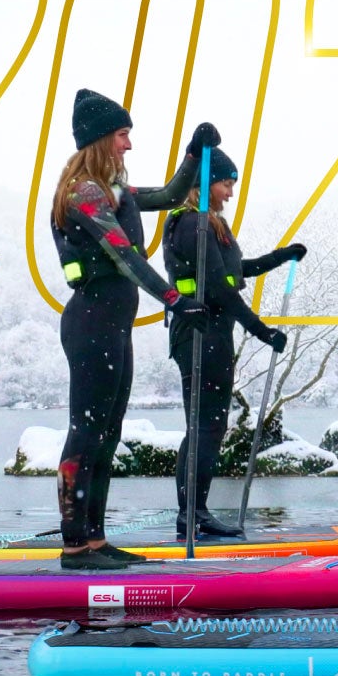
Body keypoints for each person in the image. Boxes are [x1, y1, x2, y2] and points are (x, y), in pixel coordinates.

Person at [47, 88, 210, 570]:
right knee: (86, 433)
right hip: (91, 322)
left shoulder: (113, 190)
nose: (129, 144)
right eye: (122, 135)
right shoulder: (83, 192)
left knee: (109, 433)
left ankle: (96, 541)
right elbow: (124, 255)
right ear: (100, 138)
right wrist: (174, 299)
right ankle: (74, 547)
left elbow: (169, 196)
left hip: (114, 325)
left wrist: (194, 153)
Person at [157, 124, 306, 540]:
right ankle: (193, 513)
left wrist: (280, 257)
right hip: (201, 332)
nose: (230, 193)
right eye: (226, 184)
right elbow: (221, 290)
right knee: (206, 427)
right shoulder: (194, 225)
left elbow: (234, 272)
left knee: (205, 426)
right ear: (205, 185)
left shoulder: (206, 224)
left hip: (207, 332)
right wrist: (262, 331)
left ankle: (193, 512)